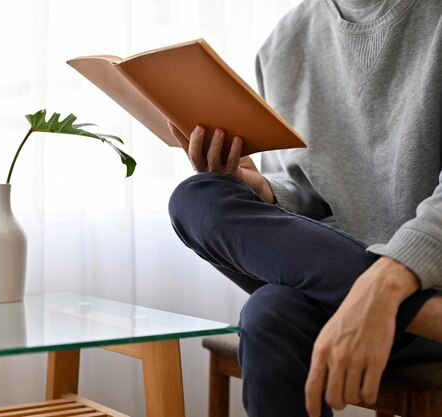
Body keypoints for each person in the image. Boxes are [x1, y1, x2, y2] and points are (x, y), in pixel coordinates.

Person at [167, 0, 442, 416]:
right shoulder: (284, 43)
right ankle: (427, 315)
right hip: (345, 288)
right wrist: (262, 190)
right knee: (196, 198)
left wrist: (389, 280)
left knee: (268, 311)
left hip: (425, 273)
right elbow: (309, 197)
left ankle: (401, 299)